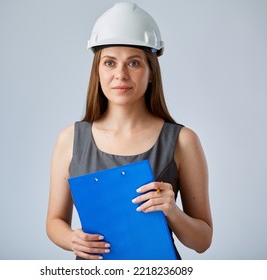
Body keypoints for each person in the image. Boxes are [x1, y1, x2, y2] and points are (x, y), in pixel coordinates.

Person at [46, 2, 212, 260]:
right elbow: (55, 221)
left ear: (151, 72)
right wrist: (71, 239)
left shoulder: (183, 141)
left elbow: (202, 241)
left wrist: (172, 211)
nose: (120, 75)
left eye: (133, 63)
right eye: (110, 63)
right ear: (97, 72)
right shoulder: (70, 139)